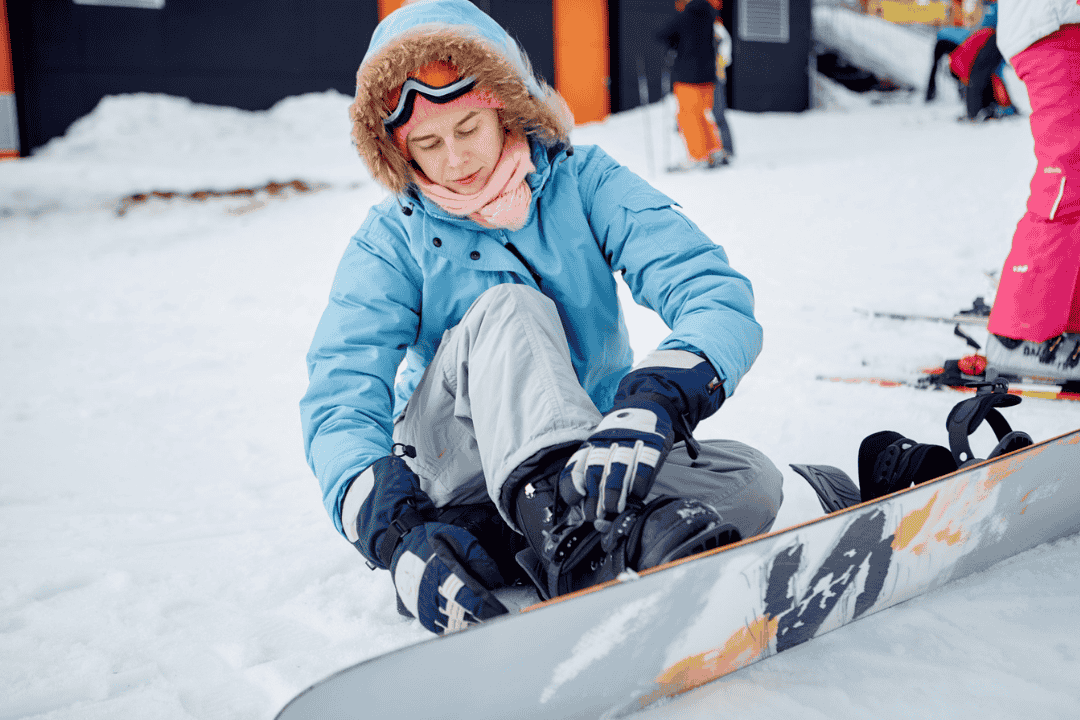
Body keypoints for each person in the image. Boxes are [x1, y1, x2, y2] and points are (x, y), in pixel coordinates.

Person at [300, 0, 783, 636]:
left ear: (505, 105)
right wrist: (395, 536)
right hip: (454, 460)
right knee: (510, 306)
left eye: (468, 129)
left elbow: (711, 292)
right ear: (400, 149)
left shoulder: (585, 184)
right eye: (426, 144)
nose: (453, 160)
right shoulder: (393, 239)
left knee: (751, 480)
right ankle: (580, 540)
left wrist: (655, 399)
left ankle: (504, 544)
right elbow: (341, 393)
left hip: (587, 447)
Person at [984, 0, 1080, 381]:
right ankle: (1018, 334)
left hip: (1064, 25)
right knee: (1066, 177)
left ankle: (1066, 319)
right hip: (1050, 26)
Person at [656, 0, 727, 169]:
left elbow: (663, 35)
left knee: (688, 117)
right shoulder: (710, 16)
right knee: (703, 114)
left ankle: (698, 156)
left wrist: (674, 43)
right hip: (708, 76)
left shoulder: (684, 17)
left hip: (687, 77)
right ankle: (714, 151)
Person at [712, 8, 735, 162]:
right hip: (702, 79)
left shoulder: (717, 28)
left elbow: (726, 54)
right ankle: (713, 149)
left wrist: (717, 65)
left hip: (715, 78)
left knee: (718, 113)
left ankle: (727, 149)